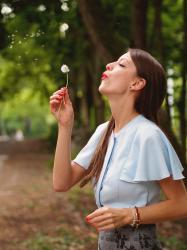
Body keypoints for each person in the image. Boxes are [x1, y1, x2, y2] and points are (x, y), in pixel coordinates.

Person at [50, 48, 187, 250]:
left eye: (121, 64)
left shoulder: (148, 135)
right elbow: (62, 182)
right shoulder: (103, 131)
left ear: (137, 83)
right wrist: (65, 126)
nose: (109, 65)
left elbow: (182, 204)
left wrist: (129, 215)